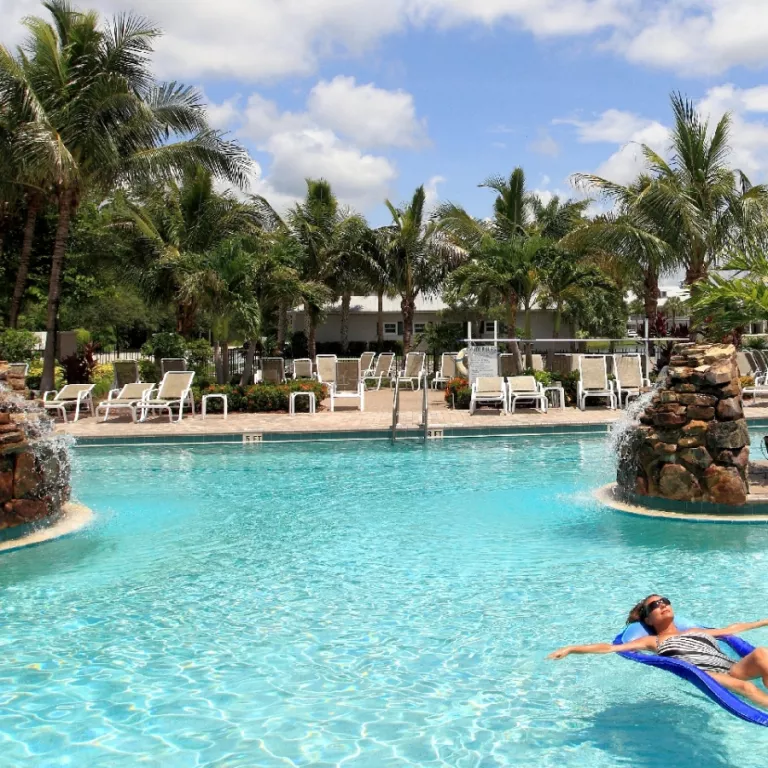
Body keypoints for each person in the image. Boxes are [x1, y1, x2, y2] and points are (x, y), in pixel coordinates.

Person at [548, 594, 768, 709]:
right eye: (654, 605)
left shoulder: (694, 629)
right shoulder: (652, 641)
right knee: (744, 686)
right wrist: (572, 649)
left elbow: (734, 629)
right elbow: (611, 647)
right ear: (647, 619)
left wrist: (763, 622)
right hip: (707, 673)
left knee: (761, 654)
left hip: (731, 667)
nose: (662, 605)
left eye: (665, 601)